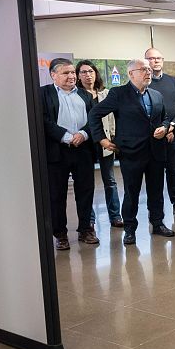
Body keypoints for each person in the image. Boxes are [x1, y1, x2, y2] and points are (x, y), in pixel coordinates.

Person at [88, 59, 175, 245]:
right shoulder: (118, 94)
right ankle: (130, 229)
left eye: (149, 70)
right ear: (130, 74)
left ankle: (158, 223)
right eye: (143, 69)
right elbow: (95, 114)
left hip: (156, 152)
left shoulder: (156, 94)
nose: (148, 72)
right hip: (131, 152)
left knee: (156, 191)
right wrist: (102, 139)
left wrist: (165, 127)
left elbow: (165, 117)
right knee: (132, 192)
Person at [41, 58, 99, 251]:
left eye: (73, 73)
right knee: (56, 195)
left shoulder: (85, 95)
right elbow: (44, 120)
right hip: (57, 151)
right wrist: (66, 136)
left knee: (85, 192)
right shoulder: (43, 94)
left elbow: (93, 120)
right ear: (53, 75)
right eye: (66, 73)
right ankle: (60, 234)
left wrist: (82, 134)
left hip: (82, 149)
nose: (72, 76)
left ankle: (85, 230)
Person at [76, 60, 121, 228]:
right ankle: (90, 219)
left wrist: (114, 139)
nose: (88, 75)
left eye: (91, 71)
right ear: (79, 76)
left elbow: (113, 119)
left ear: (96, 74)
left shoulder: (106, 94)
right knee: (87, 184)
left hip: (106, 142)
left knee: (110, 180)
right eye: (84, 72)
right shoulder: (77, 95)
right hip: (86, 144)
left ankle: (115, 216)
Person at [146, 47, 175, 218]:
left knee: (173, 170)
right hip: (153, 136)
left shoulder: (173, 81)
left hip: (173, 134)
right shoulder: (145, 82)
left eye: (159, 58)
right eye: (152, 58)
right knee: (154, 173)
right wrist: (161, 130)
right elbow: (145, 111)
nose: (156, 61)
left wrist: (171, 126)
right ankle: (155, 209)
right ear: (146, 61)